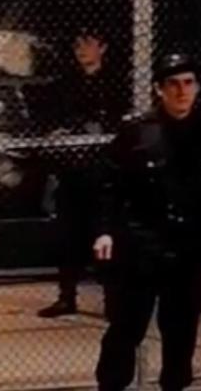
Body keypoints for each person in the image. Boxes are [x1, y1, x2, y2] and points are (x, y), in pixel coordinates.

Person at [93, 53, 201, 391]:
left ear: (198, 88)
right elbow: (110, 186)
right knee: (126, 326)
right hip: (142, 244)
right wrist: (105, 231)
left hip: (189, 246)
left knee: (181, 330)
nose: (181, 91)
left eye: (188, 83)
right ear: (159, 89)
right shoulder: (137, 132)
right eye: (173, 84)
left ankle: (175, 385)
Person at [39, 31, 121, 318]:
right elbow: (54, 119)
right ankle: (67, 296)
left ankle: (112, 299)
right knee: (67, 234)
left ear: (103, 48)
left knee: (106, 233)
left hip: (104, 170)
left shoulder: (114, 83)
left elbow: (115, 120)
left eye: (88, 44)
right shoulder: (66, 84)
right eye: (77, 45)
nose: (81, 50)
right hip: (73, 168)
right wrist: (60, 132)